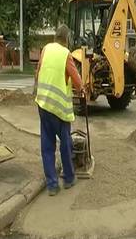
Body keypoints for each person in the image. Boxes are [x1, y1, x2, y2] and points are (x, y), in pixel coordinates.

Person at [34, 24, 84, 196]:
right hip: (59, 110)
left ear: (55, 37)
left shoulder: (46, 49)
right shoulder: (66, 54)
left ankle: (52, 185)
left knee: (47, 146)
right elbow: (76, 79)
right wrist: (82, 90)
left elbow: (38, 72)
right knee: (65, 144)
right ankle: (69, 178)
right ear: (67, 39)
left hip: (43, 104)